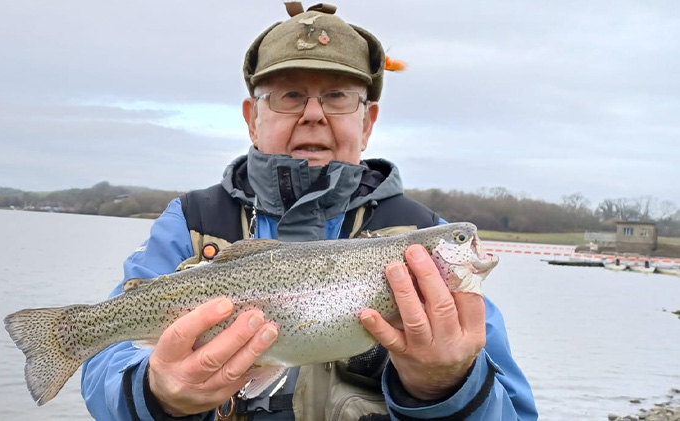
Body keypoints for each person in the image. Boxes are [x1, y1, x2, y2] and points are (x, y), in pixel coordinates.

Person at [82, 3, 537, 420]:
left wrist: (448, 387)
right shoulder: (191, 220)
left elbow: (516, 412)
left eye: (338, 95)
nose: (314, 114)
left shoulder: (423, 233)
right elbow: (105, 361)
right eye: (290, 95)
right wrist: (156, 390)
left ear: (368, 121)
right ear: (251, 118)